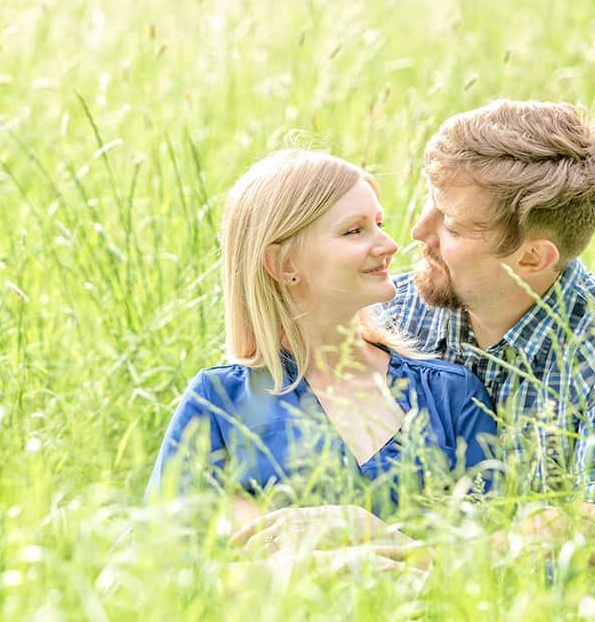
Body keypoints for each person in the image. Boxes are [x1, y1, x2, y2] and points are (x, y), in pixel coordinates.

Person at [377, 99, 595, 551]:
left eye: (454, 227)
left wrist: (423, 561)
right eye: (430, 204)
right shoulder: (391, 311)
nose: (418, 231)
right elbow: (252, 420)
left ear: (532, 257)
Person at [145, 150, 498, 533]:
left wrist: (361, 532)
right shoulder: (220, 401)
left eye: (379, 223)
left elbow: (491, 558)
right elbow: (158, 562)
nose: (390, 245)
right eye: (354, 230)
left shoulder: (451, 392)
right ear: (284, 265)